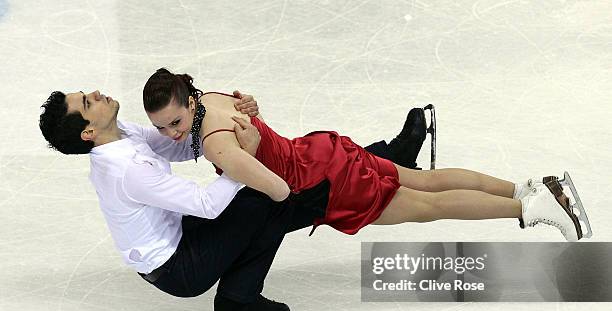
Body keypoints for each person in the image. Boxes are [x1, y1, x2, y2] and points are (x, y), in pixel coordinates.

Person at [38, 88, 430, 311]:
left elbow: (183, 145)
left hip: (181, 234)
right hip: (178, 268)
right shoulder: (127, 170)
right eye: (88, 103)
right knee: (270, 197)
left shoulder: (121, 134)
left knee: (277, 195)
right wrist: (245, 157)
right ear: (88, 132)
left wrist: (232, 115)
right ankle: (239, 299)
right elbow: (207, 205)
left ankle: (377, 163)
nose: (96, 93)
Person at [142, 68, 590, 242]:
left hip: (327, 184)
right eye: (162, 127)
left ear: (189, 102)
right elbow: (260, 133)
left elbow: (276, 190)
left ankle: (530, 208)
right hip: (324, 151)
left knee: (430, 205)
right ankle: (529, 186)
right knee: (427, 181)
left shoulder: (215, 140)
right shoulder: (215, 98)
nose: (171, 134)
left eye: (175, 123)